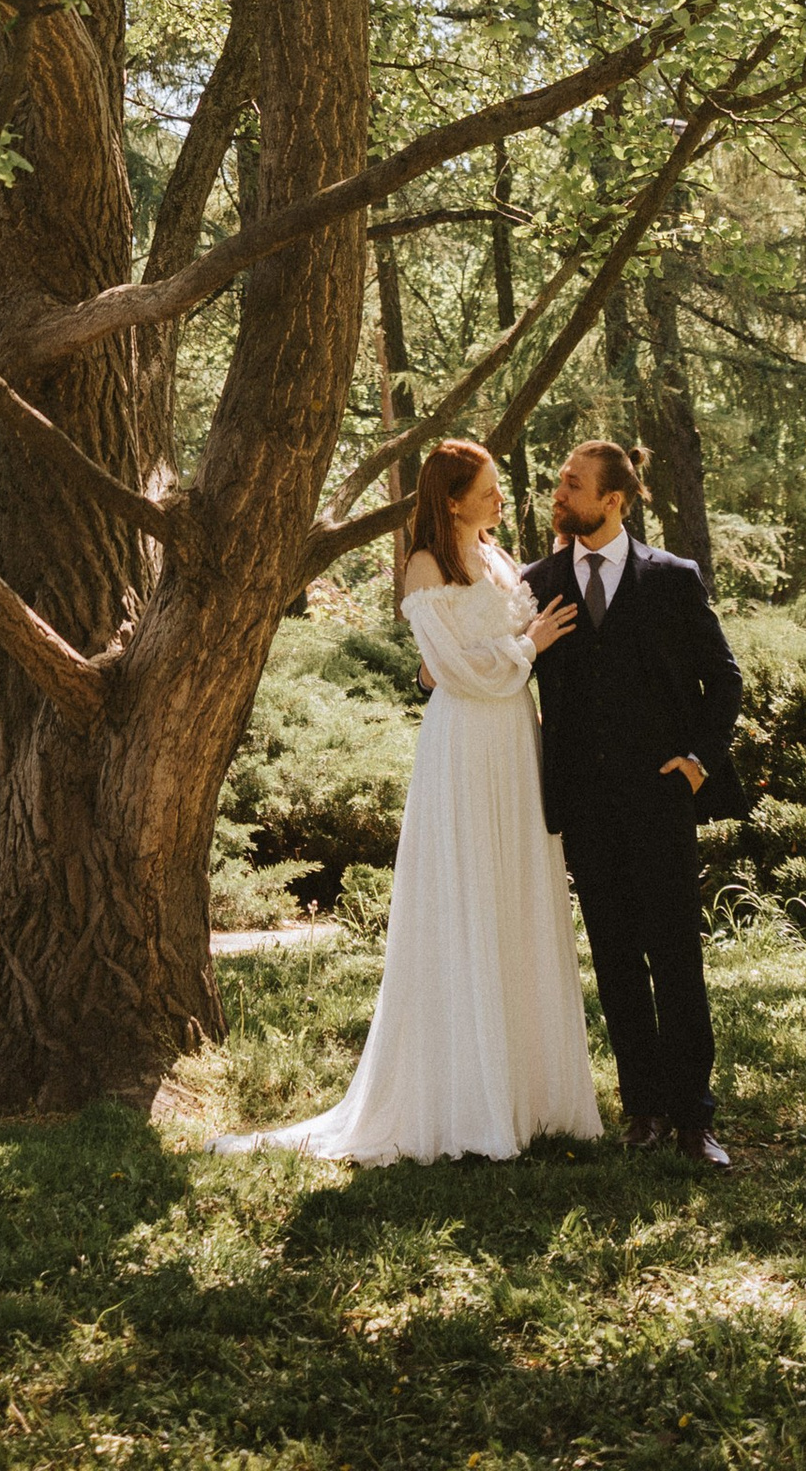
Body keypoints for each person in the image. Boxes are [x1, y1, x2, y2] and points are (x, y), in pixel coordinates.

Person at [216, 438, 600, 1164]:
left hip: (515, 738)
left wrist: (529, 636)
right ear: (452, 501)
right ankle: (467, 1098)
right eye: (487, 489)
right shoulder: (425, 565)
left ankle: (530, 1093)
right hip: (467, 742)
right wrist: (529, 648)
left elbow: (483, 648)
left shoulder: (495, 555)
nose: (500, 497)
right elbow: (452, 670)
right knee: (471, 894)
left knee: (515, 891)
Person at [525, 435, 745, 1167]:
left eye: (572, 483)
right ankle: (642, 1109)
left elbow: (725, 677)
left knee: (676, 957)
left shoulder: (672, 578)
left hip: (660, 799)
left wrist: (698, 763)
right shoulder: (537, 582)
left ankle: (694, 1119)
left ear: (612, 500)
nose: (559, 493)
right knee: (617, 960)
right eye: (561, 480)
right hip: (585, 807)